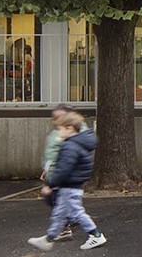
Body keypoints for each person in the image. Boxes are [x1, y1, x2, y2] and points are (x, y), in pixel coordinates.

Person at [29, 112, 106, 251]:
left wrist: (50, 184)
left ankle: (96, 235)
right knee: (60, 213)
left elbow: (63, 169)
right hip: (71, 186)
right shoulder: (78, 144)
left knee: (76, 213)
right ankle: (49, 238)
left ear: (69, 128)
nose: (59, 132)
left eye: (60, 129)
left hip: (69, 187)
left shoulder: (70, 146)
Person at [39, 104, 80, 243]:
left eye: (59, 117)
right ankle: (73, 218)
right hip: (53, 172)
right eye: (54, 117)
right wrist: (46, 169)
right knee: (51, 198)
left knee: (58, 200)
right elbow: (49, 154)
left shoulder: (71, 134)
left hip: (62, 174)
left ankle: (65, 227)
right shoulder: (54, 134)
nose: (55, 120)